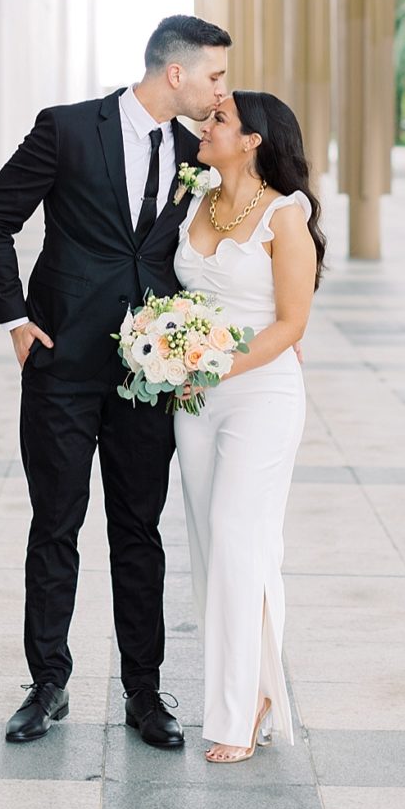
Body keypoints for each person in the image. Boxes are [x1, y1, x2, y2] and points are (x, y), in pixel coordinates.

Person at [0, 14, 231, 747]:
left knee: (138, 532)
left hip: (148, 380)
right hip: (60, 366)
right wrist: (15, 321)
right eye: (214, 75)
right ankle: (47, 682)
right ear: (173, 72)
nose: (221, 91)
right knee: (55, 524)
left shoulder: (194, 152)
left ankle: (144, 693)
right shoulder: (67, 129)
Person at [172, 89, 322, 761]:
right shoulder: (195, 198)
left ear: (256, 138)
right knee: (216, 547)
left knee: (239, 536)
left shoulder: (286, 215)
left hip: (260, 391)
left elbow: (292, 322)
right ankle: (255, 685)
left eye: (221, 118)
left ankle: (236, 714)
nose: (207, 124)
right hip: (194, 400)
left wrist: (218, 364)